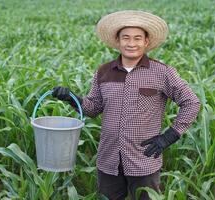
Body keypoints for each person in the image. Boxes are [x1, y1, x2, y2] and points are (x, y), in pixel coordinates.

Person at [52, 10, 200, 200]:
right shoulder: (104, 72)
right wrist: (72, 98)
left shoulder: (162, 73)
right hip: (108, 160)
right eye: (126, 38)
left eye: (137, 38)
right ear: (118, 41)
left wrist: (169, 136)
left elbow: (191, 102)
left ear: (146, 42)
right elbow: (93, 108)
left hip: (144, 159)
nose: (131, 43)